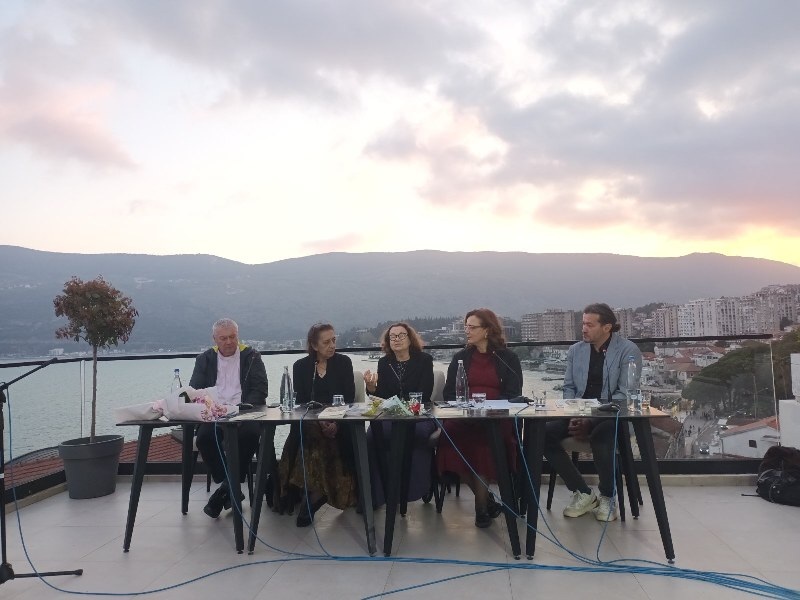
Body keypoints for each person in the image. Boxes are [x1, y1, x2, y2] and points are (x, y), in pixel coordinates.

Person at [543, 302, 642, 522]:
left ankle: (608, 497)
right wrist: (573, 414)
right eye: (583, 324)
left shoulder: (628, 351)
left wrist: (590, 420)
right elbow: (569, 387)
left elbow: (624, 395)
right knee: (543, 433)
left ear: (607, 327)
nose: (584, 329)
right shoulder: (575, 350)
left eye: (590, 325)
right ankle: (583, 492)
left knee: (601, 437)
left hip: (614, 416)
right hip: (578, 413)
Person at [437, 308, 522, 528]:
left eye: (472, 327)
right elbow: (449, 393)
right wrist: (466, 410)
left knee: (483, 445)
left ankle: (481, 508)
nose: (467, 331)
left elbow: (514, 394)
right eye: (466, 326)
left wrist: (488, 410)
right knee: (448, 440)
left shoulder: (508, 358)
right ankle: (487, 500)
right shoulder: (460, 357)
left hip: (495, 419)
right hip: (465, 417)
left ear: (487, 330)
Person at [278, 323, 358, 526]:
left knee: (317, 437)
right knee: (312, 433)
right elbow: (301, 402)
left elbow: (349, 399)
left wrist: (336, 424)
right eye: (326, 342)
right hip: (311, 422)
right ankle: (315, 493)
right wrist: (320, 421)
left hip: (341, 422)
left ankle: (313, 495)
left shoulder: (344, 362)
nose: (332, 345)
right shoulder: (301, 367)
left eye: (334, 340)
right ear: (314, 345)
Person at [190, 318, 268, 518]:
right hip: (215, 414)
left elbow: (260, 390)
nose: (229, 342)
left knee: (250, 434)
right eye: (223, 338)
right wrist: (212, 408)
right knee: (204, 438)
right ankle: (231, 486)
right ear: (214, 339)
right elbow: (195, 391)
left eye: (232, 337)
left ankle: (225, 489)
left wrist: (242, 411)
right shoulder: (204, 359)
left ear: (237, 335)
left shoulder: (252, 356)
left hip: (244, 413)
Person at [363, 322, 435, 506]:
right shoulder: (384, 363)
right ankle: (378, 493)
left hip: (418, 415)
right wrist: (371, 388)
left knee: (415, 435)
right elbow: (381, 396)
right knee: (372, 437)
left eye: (401, 335)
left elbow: (424, 393)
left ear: (410, 339)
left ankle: (412, 490)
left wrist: (405, 408)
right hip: (391, 415)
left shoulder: (424, 360)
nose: (396, 339)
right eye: (392, 336)